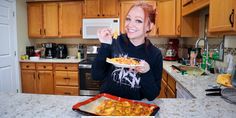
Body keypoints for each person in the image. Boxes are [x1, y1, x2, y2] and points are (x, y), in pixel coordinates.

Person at [92, 2, 163, 101]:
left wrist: (146, 72)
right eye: (128, 19)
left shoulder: (155, 54)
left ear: (149, 26)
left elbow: (152, 95)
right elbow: (96, 75)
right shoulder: (115, 41)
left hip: (135, 108)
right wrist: (105, 45)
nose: (130, 24)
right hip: (108, 104)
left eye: (138, 21)